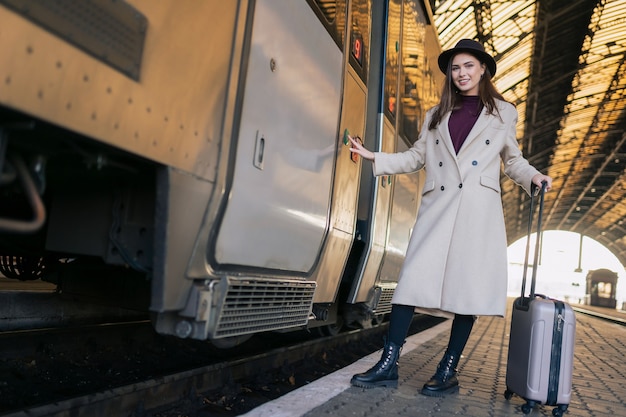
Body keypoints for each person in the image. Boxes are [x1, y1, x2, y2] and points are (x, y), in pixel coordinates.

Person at [348, 39, 553, 397]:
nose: (461, 73)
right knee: (409, 282)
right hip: (438, 207)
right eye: (455, 68)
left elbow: (512, 160)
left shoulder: (504, 112)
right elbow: (415, 158)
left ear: (483, 69)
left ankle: (448, 369)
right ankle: (388, 363)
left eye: (468, 66)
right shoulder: (435, 114)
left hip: (477, 211)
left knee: (467, 290)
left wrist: (533, 176)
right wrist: (374, 157)